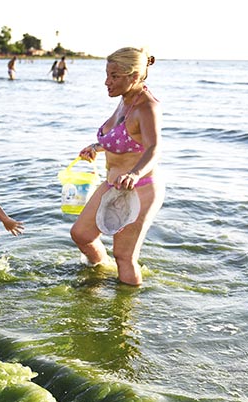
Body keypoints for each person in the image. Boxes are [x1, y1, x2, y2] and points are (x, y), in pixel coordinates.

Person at [71, 47, 163, 286]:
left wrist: (135, 173)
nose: (106, 82)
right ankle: (99, 272)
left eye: (114, 76)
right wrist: (97, 146)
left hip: (139, 188)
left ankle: (124, 315)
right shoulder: (125, 99)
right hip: (113, 184)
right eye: (107, 74)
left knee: (124, 256)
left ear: (133, 77)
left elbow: (154, 148)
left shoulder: (147, 107)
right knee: (81, 234)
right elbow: (126, 140)